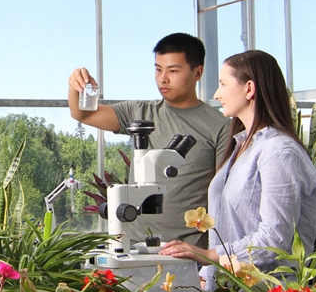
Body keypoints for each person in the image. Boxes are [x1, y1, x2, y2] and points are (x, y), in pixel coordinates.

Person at [158, 50, 316, 290]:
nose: (216, 94)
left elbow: (273, 240)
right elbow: (229, 226)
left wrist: (207, 255)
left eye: (223, 84)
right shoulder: (242, 145)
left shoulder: (278, 151)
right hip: (232, 291)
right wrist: (208, 272)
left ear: (249, 88)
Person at [67, 33, 230, 247]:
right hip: (135, 246)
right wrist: (76, 84)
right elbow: (82, 113)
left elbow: (224, 196)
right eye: (158, 69)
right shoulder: (140, 112)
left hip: (187, 251)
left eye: (173, 70)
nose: (163, 78)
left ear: (197, 72)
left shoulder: (220, 126)